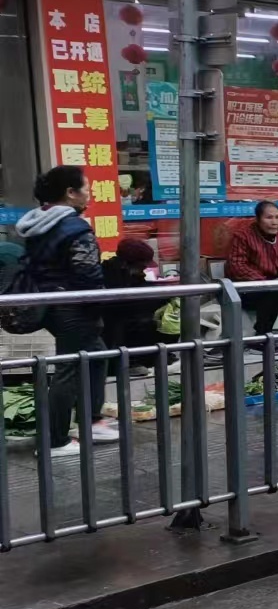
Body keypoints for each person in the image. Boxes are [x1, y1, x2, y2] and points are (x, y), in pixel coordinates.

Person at [17, 166, 117, 457]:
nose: (89, 193)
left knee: (97, 356)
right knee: (69, 369)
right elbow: (87, 273)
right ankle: (55, 440)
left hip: (50, 304)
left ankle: (92, 420)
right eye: (85, 188)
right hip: (73, 306)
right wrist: (99, 304)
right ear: (70, 193)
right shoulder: (75, 227)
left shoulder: (38, 223)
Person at [223, 200, 278, 333]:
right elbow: (237, 266)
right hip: (250, 289)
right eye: (269, 217)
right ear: (258, 219)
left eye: (277, 217)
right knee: (271, 294)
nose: (274, 222)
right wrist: (265, 282)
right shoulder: (243, 236)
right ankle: (262, 336)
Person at [100, 238, 169, 375]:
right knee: (141, 322)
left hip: (123, 317)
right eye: (142, 265)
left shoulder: (132, 273)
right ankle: (127, 362)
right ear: (128, 263)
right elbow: (125, 303)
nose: (144, 268)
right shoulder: (110, 274)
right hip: (113, 322)